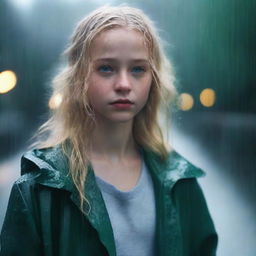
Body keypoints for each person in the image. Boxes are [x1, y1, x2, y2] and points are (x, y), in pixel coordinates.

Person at [0, 5, 218, 256]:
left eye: (138, 69)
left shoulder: (179, 181)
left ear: (154, 79)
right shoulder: (41, 187)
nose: (124, 84)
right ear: (79, 77)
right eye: (106, 68)